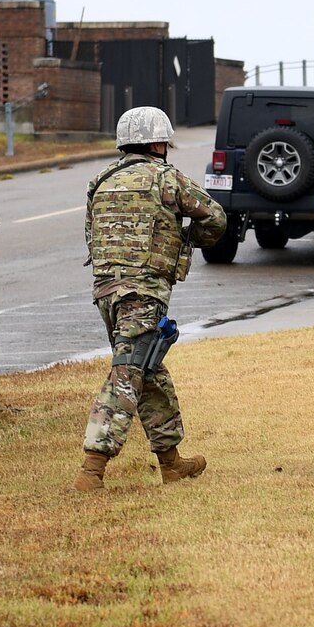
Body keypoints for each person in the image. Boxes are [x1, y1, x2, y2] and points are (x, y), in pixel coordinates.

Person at [72, 105, 227, 491]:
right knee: (128, 374)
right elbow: (216, 217)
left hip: (107, 292)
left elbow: (91, 234)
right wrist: (190, 240)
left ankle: (171, 463)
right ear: (159, 142)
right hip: (144, 292)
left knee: (149, 370)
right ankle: (92, 470)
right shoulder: (166, 179)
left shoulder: (101, 180)